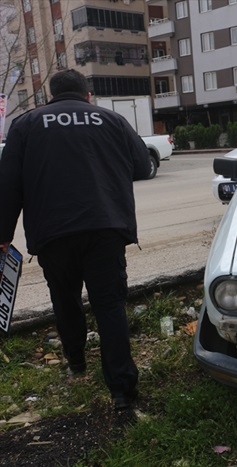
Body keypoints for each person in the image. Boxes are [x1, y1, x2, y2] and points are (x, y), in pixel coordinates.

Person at [0, 69, 151, 411]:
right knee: (109, 306)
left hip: (53, 234)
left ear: (50, 96)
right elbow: (142, 166)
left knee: (65, 300)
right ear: (87, 95)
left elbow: (8, 185)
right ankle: (122, 394)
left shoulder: (26, 125)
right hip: (105, 229)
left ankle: (77, 363)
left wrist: (3, 236)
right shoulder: (111, 119)